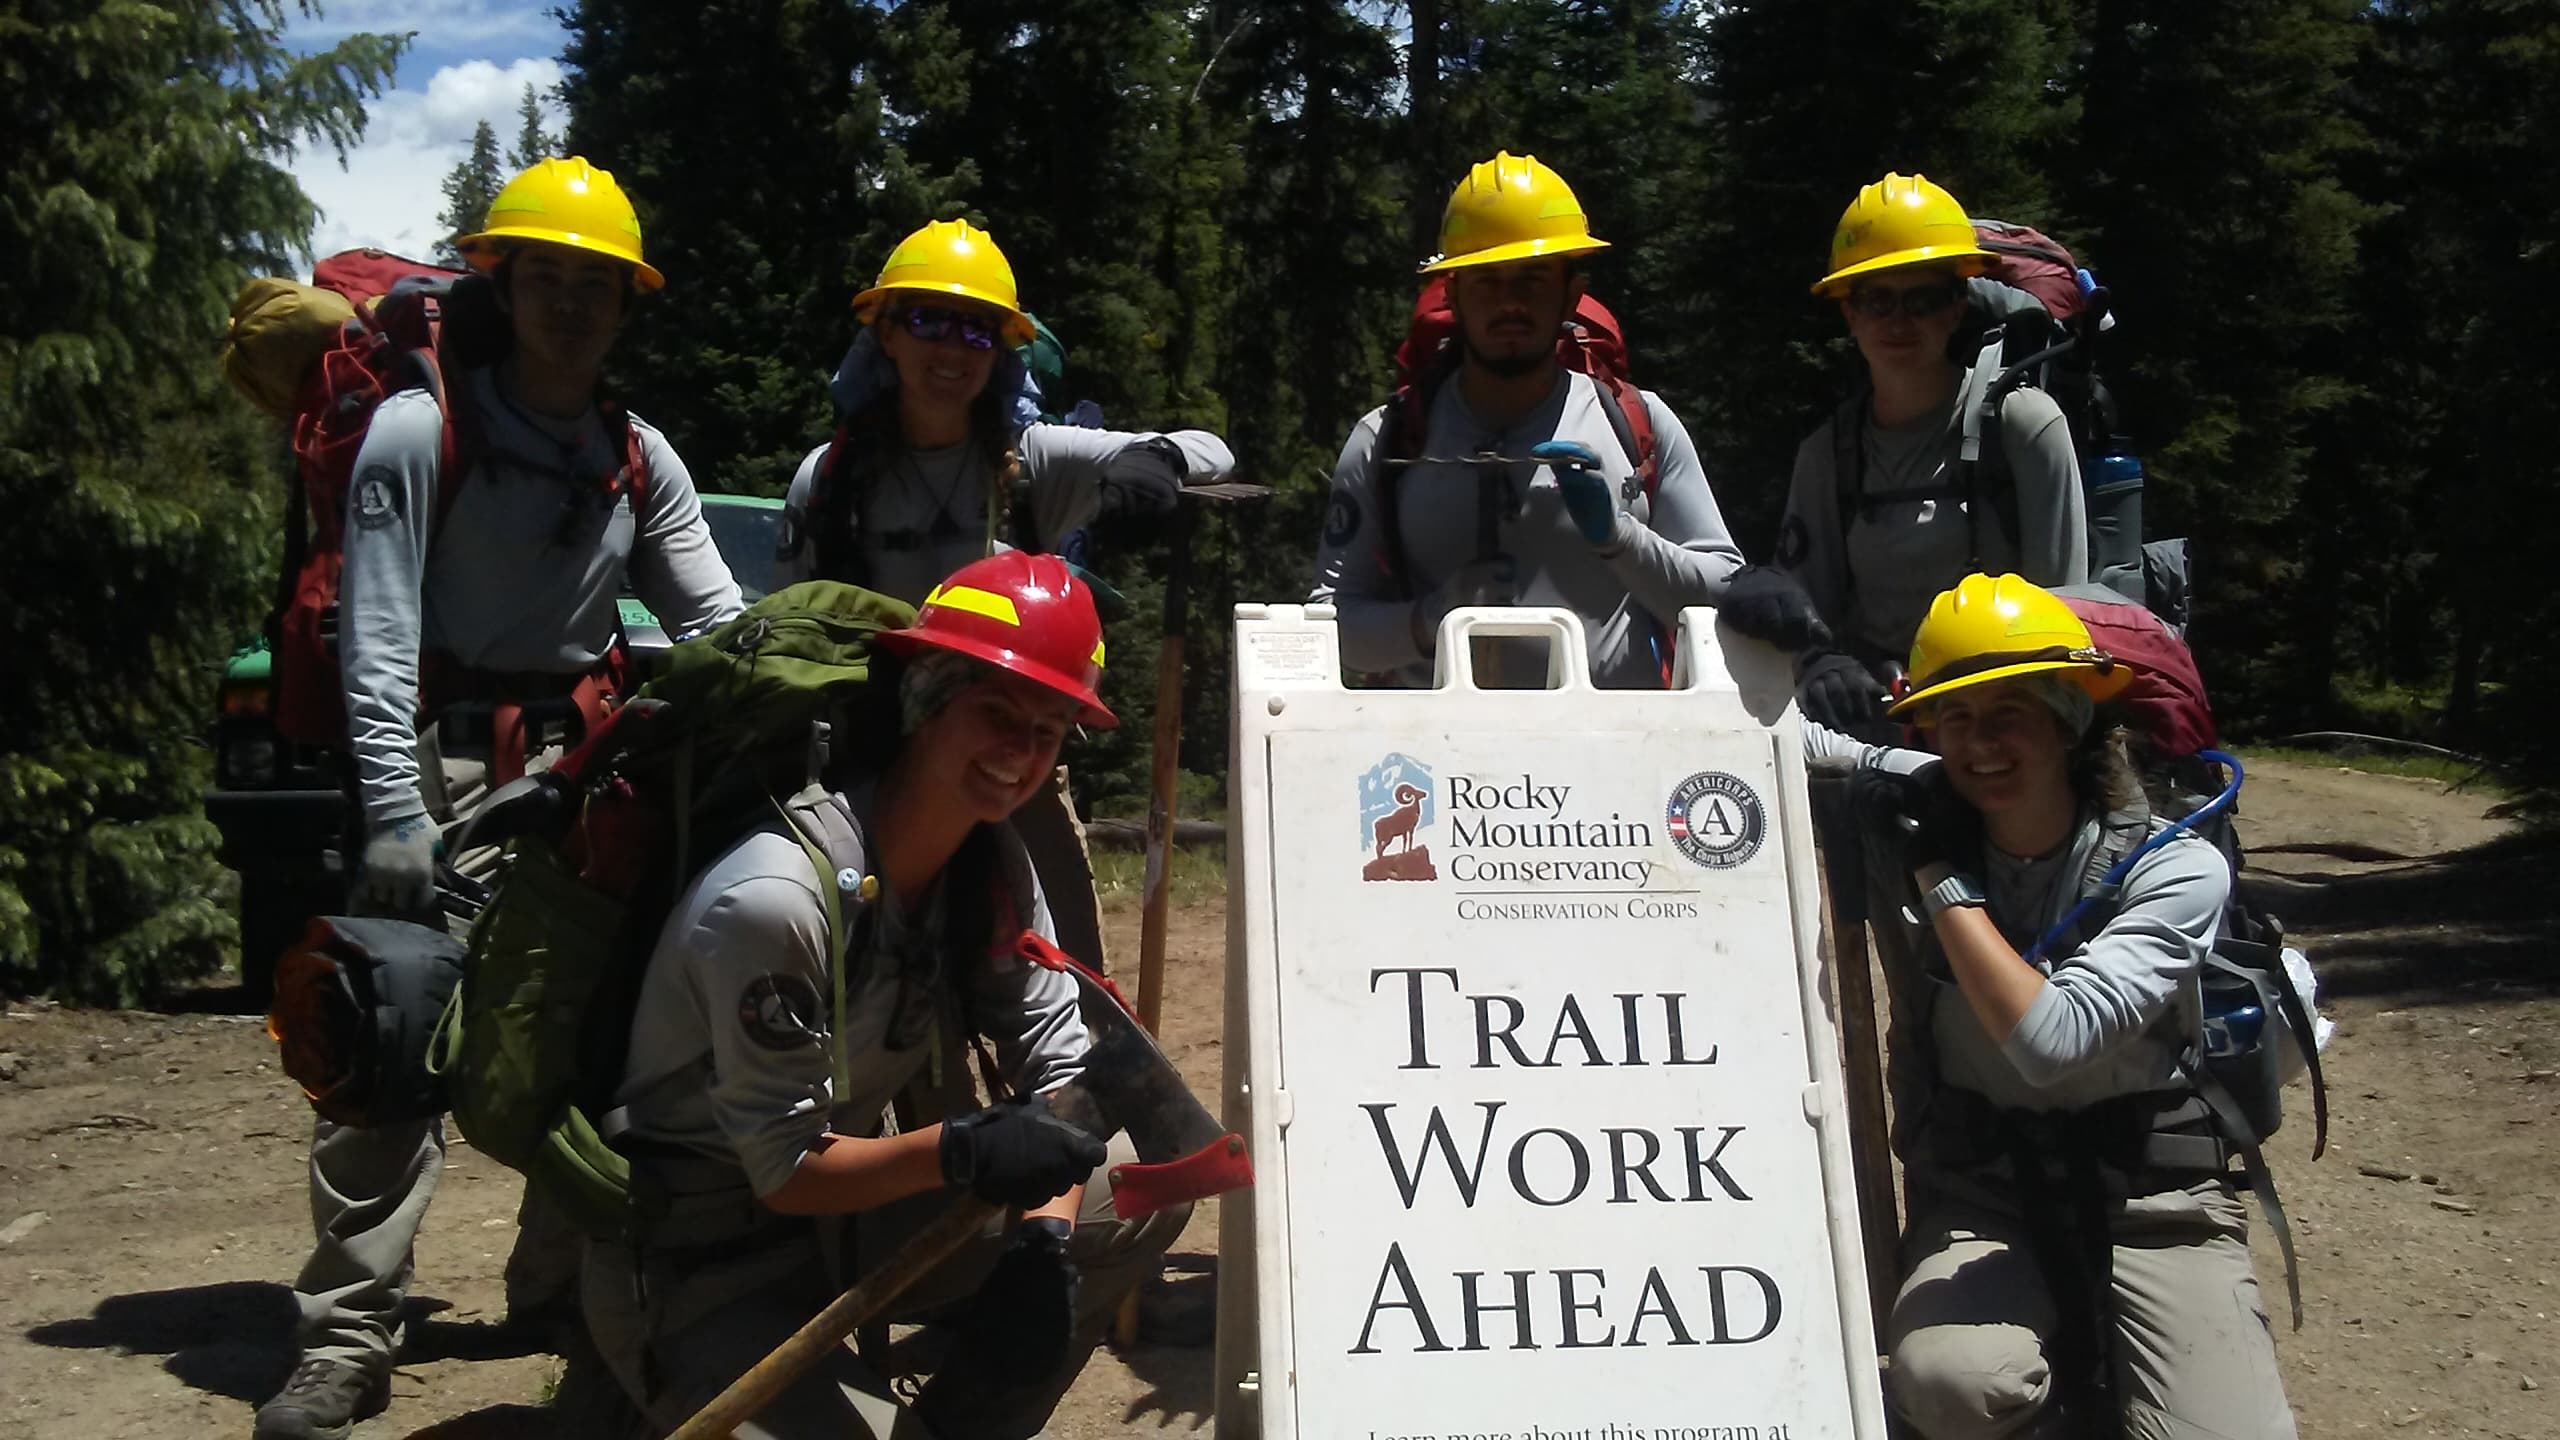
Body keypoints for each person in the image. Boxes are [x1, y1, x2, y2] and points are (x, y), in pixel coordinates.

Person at [255, 157, 744, 1440]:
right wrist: (395, 812)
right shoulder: (421, 430)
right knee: (393, 1046)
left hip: (583, 779)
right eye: (547, 279)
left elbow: (719, 623)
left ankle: (558, 1294)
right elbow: (374, 632)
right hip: (439, 766)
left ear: (627, 307)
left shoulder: (638, 456)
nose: (572, 307)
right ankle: (348, 1335)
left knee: (584, 1035)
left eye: (597, 287)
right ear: (501, 281)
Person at [581, 551, 1188, 1439]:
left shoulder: (988, 867)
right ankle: (641, 1381)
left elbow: (1065, 1086)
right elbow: (784, 1168)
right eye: (997, 714)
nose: (1019, 756)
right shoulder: (775, 899)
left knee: (1139, 1192)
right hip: (692, 1254)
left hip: (842, 1226)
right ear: (925, 701)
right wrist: (969, 1151)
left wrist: (1044, 1244)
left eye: (1049, 731)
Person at [1819, 573, 2293, 1440]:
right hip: (1984, 1194)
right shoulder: (1926, 799)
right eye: (1955, 718)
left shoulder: (2176, 867)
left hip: (2159, 1201)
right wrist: (1807, 665)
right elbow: (1797, 741)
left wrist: (1935, 873)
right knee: (1952, 1382)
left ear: (2069, 720)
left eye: (2010, 714)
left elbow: (2051, 1037)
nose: (1981, 743)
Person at [1312, 151, 1810, 689]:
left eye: (1533, 278)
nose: (1510, 303)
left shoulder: (1638, 422)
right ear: (1452, 292)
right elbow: (1330, 632)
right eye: (1486, 280)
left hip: (1617, 751)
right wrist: (1432, 618)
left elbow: (1724, 592)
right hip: (1437, 763)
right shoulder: (1384, 439)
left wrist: (1620, 539)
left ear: (1572, 291)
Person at [1772, 173, 2090, 732]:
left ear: (1955, 307)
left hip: (2009, 727)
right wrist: (1825, 666)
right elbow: (1805, 618)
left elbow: (2064, 617)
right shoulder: (1828, 454)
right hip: (1874, 734)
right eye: (1876, 299)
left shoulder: (2024, 427)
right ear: (1850, 312)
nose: (1899, 321)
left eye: (1923, 299)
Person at [775, 217, 1237, 601]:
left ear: (1000, 352)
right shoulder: (828, 479)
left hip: (1012, 713)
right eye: (929, 319)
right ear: (887, 336)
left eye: (978, 330)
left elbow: (1211, 450)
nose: (954, 349)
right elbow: (789, 633)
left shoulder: (1031, 461)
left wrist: (1158, 460)